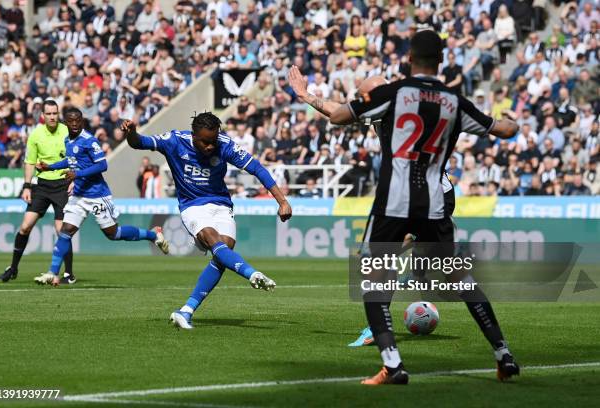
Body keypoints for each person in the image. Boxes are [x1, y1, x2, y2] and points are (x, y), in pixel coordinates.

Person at [288, 29, 520, 385]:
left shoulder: (392, 95)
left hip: (395, 199)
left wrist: (308, 96)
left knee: (373, 276)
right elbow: (500, 129)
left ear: (409, 58)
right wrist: (512, 123)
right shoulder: (454, 101)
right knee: (461, 277)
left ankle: (393, 364)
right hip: (434, 200)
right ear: (440, 61)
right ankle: (503, 354)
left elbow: (338, 116)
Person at [121, 112, 292, 330]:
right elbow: (140, 143)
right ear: (193, 135)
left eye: (213, 141)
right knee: (213, 239)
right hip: (192, 205)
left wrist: (282, 201)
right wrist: (132, 133)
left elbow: (256, 168)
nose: (210, 146)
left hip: (221, 204)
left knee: (224, 252)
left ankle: (186, 311)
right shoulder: (175, 141)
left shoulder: (224, 144)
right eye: (205, 142)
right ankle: (252, 274)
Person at [33, 108, 169, 286]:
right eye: (70, 121)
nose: (74, 124)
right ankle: (52, 272)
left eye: (77, 120)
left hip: (97, 195)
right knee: (65, 232)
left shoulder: (89, 140)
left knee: (113, 234)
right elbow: (71, 160)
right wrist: (50, 167)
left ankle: (153, 235)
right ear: (65, 123)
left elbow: (103, 165)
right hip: (79, 196)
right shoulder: (68, 140)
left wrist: (78, 175)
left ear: (82, 121)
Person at [0, 101, 75, 284]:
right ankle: (13, 268)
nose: (52, 117)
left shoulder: (67, 132)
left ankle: (68, 274)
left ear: (58, 114)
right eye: (48, 113)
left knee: (61, 231)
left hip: (62, 185)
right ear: (43, 115)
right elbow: (30, 162)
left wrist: (75, 180)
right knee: (25, 226)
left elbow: (76, 157)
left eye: (55, 113)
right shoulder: (36, 134)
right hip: (41, 186)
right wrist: (27, 186)